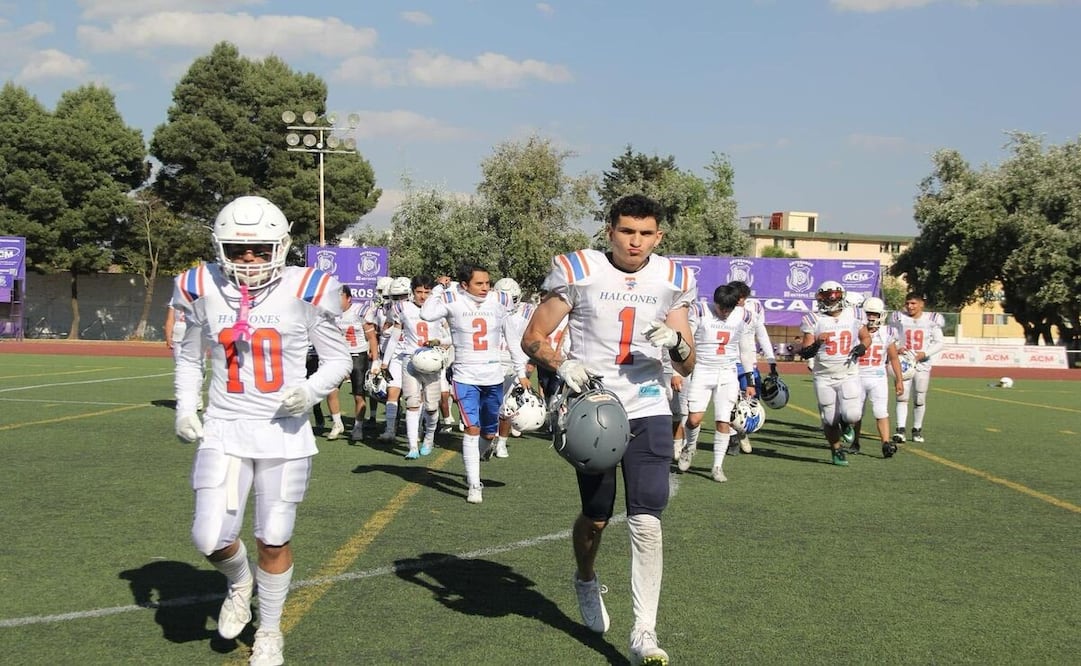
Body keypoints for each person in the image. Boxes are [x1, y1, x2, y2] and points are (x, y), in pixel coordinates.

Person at [171, 195, 351, 666]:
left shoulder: (309, 286)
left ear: (281, 246)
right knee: (209, 537)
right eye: (236, 248)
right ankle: (238, 582)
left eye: (258, 249)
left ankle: (269, 630)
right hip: (226, 427)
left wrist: (311, 392)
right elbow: (188, 354)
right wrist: (186, 406)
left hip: (284, 432)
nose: (248, 258)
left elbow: (338, 359)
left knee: (274, 534)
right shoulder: (197, 285)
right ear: (219, 246)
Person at [522, 193, 696, 666]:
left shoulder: (672, 278)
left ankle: (645, 632)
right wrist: (563, 362)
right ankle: (584, 576)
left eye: (645, 234)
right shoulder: (580, 269)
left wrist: (677, 342)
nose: (635, 242)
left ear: (658, 236)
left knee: (646, 519)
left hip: (648, 406)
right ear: (610, 231)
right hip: (593, 407)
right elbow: (532, 338)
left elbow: (689, 359)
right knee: (596, 516)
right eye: (626, 231)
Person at [419, 265, 523, 503]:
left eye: (487, 282)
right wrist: (438, 289)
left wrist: (520, 369)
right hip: (466, 376)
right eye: (479, 283)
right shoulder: (452, 300)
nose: (485, 287)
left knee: (489, 433)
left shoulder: (498, 301)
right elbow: (427, 314)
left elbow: (512, 338)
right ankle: (474, 484)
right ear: (464, 285)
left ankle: (473, 463)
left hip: (493, 375)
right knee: (471, 429)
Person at [677, 284, 757, 482]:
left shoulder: (743, 316)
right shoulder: (700, 311)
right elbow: (687, 342)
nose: (725, 313)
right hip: (702, 370)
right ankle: (690, 447)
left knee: (723, 420)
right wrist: (679, 371)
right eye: (723, 308)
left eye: (730, 309)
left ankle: (717, 466)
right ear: (716, 302)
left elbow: (746, 349)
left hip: (727, 373)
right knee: (694, 419)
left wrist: (749, 379)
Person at [798, 280, 872, 466]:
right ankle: (836, 450)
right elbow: (805, 352)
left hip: (849, 372)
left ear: (842, 295)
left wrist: (861, 348)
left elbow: (866, 337)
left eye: (835, 295)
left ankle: (846, 423)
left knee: (853, 414)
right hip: (823, 375)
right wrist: (817, 343)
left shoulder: (855, 314)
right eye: (827, 295)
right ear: (820, 298)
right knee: (829, 419)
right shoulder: (813, 319)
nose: (831, 299)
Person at [382, 275, 449, 458]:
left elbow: (451, 337)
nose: (423, 296)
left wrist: (442, 345)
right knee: (412, 403)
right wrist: (385, 362)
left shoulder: (439, 308)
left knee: (431, 406)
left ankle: (428, 438)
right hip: (410, 360)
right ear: (412, 293)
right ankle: (412, 446)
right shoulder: (402, 307)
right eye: (419, 292)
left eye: (427, 292)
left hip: (433, 361)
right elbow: (395, 336)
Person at [849, 297, 904, 458]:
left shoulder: (887, 332)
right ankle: (855, 442)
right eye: (868, 314)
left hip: (878, 376)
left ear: (881, 315)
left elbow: (893, 358)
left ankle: (885, 443)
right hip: (857, 375)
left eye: (874, 314)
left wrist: (899, 380)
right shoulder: (855, 330)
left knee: (881, 411)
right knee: (855, 413)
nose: (871, 317)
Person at [726, 280, 777, 454]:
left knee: (752, 401)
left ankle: (742, 431)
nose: (740, 301)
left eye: (742, 298)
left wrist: (771, 360)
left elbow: (761, 333)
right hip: (728, 360)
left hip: (748, 360)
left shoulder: (754, 308)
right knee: (730, 400)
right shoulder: (723, 307)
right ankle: (733, 437)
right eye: (738, 298)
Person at [890, 292, 945, 444]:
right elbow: (891, 337)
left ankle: (916, 429)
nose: (909, 306)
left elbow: (939, 342)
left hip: (922, 363)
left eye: (913, 303)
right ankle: (900, 430)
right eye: (907, 303)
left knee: (919, 397)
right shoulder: (898, 318)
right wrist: (897, 348)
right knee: (902, 396)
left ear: (922, 304)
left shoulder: (931, 320)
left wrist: (924, 353)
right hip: (904, 361)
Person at [326, 284, 379, 441]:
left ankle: (358, 426)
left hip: (358, 355)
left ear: (349, 298)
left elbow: (371, 338)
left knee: (358, 395)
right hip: (339, 356)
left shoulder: (360, 311)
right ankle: (337, 424)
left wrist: (375, 360)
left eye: (340, 297)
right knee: (331, 390)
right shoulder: (331, 313)